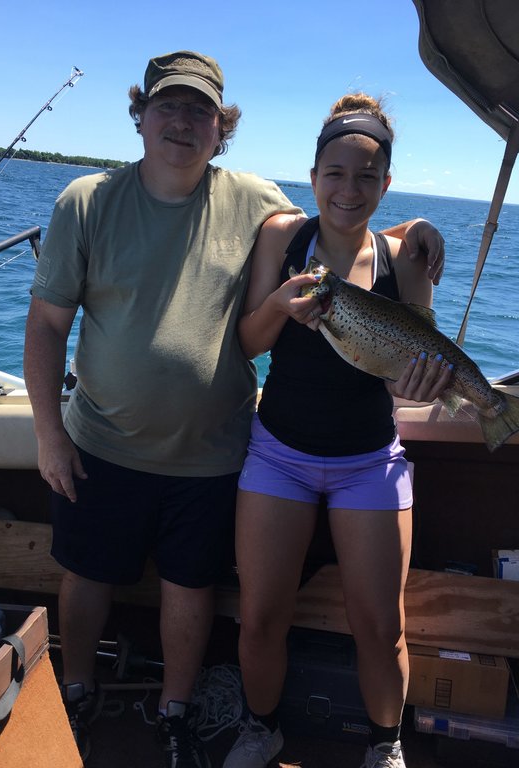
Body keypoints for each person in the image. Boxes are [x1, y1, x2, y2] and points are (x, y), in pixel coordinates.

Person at [24, 48, 446, 768]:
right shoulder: (92, 200)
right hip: (125, 440)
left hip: (237, 453)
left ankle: (204, 715)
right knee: (101, 578)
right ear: (140, 115)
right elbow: (48, 325)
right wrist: (47, 433)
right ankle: (86, 690)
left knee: (211, 591)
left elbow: (348, 224)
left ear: (222, 128)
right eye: (168, 105)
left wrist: (413, 232)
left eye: (200, 111)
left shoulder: (256, 200)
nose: (182, 122)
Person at [222, 93, 454, 768]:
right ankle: (261, 728)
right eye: (335, 173)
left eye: (366, 177)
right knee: (260, 618)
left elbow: (402, 375)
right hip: (279, 454)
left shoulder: (405, 260)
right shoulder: (281, 237)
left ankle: (386, 746)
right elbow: (246, 344)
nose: (348, 190)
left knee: (382, 628)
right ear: (313, 175)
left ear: (386, 184)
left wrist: (419, 386)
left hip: (368, 461)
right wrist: (277, 305)